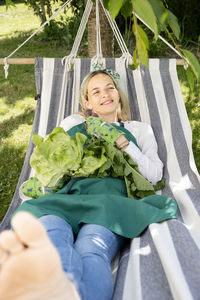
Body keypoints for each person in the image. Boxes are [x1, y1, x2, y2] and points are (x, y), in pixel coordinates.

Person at [0, 69, 177, 300]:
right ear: (87, 101)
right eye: (96, 91)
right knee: (53, 241)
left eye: (109, 88)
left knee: (91, 249)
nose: (105, 94)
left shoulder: (138, 129)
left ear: (118, 94)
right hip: (65, 197)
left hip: (110, 202)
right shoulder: (74, 122)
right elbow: (49, 160)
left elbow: (154, 175)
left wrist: (122, 142)